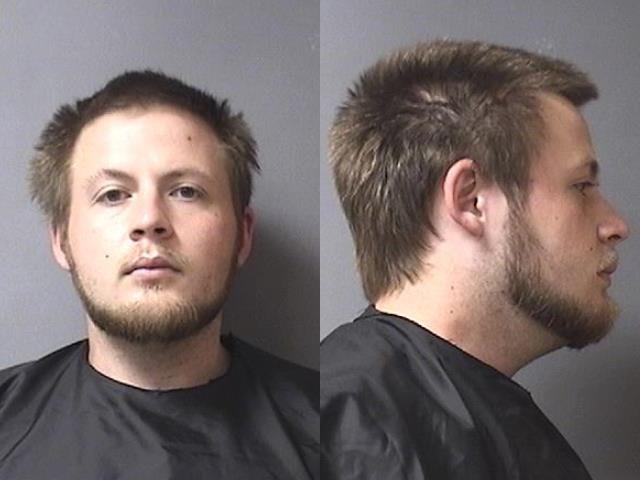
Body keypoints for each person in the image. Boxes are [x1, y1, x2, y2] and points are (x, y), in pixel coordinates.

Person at [321, 39, 629, 479]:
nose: (616, 225)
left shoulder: (472, 411)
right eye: (581, 186)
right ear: (472, 201)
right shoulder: (347, 424)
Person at [0, 71, 318, 479]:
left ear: (242, 236)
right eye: (113, 195)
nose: (149, 219)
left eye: (186, 191)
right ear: (62, 240)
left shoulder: (332, 430)